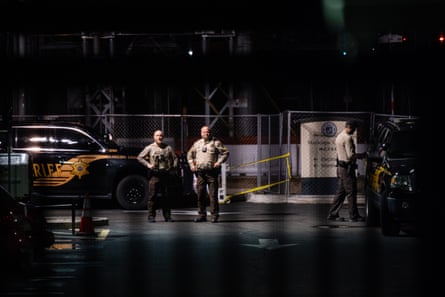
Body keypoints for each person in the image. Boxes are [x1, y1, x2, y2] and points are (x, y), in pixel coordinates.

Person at [187, 125, 229, 223]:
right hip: (200, 174)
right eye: (205, 132)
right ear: (201, 133)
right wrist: (191, 165)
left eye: (209, 131)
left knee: (213, 195)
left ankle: (214, 215)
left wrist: (219, 162)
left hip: (212, 173)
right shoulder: (197, 144)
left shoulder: (216, 143)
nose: (207, 133)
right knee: (200, 195)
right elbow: (190, 155)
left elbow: (225, 153)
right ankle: (201, 215)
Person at [327, 120, 367, 222]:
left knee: (341, 193)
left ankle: (332, 214)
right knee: (351, 192)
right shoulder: (348, 138)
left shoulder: (340, 136)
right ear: (349, 127)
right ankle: (354, 216)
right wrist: (362, 155)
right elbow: (350, 156)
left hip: (341, 168)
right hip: (347, 169)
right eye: (354, 129)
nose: (354, 131)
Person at [137, 130, 178, 222]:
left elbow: (175, 158)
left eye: (161, 135)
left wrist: (173, 169)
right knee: (152, 196)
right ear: (154, 137)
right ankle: (151, 216)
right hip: (155, 175)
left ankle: (167, 216)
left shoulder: (168, 148)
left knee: (166, 197)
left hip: (165, 175)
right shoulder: (150, 148)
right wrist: (148, 165)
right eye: (157, 135)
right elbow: (139, 157)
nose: (159, 137)